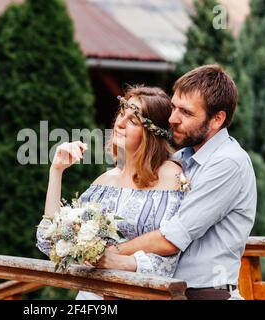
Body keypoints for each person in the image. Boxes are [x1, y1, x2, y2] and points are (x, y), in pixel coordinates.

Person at [108, 65, 257, 300]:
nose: (172, 119)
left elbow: (172, 238)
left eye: (186, 113)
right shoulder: (180, 159)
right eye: (174, 107)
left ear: (217, 119)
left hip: (206, 294)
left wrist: (111, 253)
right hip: (163, 292)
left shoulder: (228, 163)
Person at [36, 85, 186, 300]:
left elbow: (170, 258)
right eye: (121, 114)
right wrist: (56, 170)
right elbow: (51, 240)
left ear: (151, 134)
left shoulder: (170, 178)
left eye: (133, 121)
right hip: (91, 297)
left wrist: (122, 261)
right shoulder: (105, 182)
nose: (120, 123)